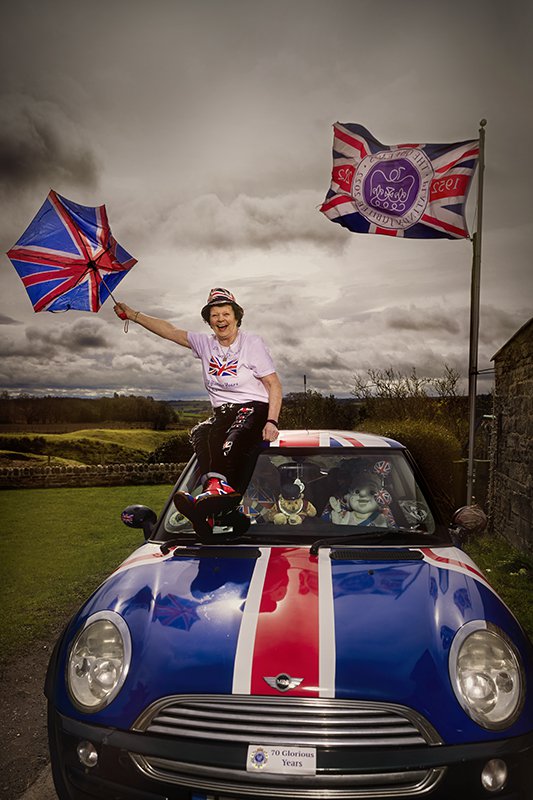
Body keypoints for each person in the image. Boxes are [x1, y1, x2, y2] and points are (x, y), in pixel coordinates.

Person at [113, 287, 282, 525]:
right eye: (214, 315)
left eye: (225, 313)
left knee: (232, 440)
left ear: (236, 316)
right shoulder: (205, 344)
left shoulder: (251, 343)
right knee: (201, 433)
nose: (220, 319)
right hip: (223, 412)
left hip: (253, 407)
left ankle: (219, 493)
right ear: (209, 321)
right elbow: (169, 331)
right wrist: (133, 315)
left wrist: (272, 421)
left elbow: (273, 384)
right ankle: (214, 500)